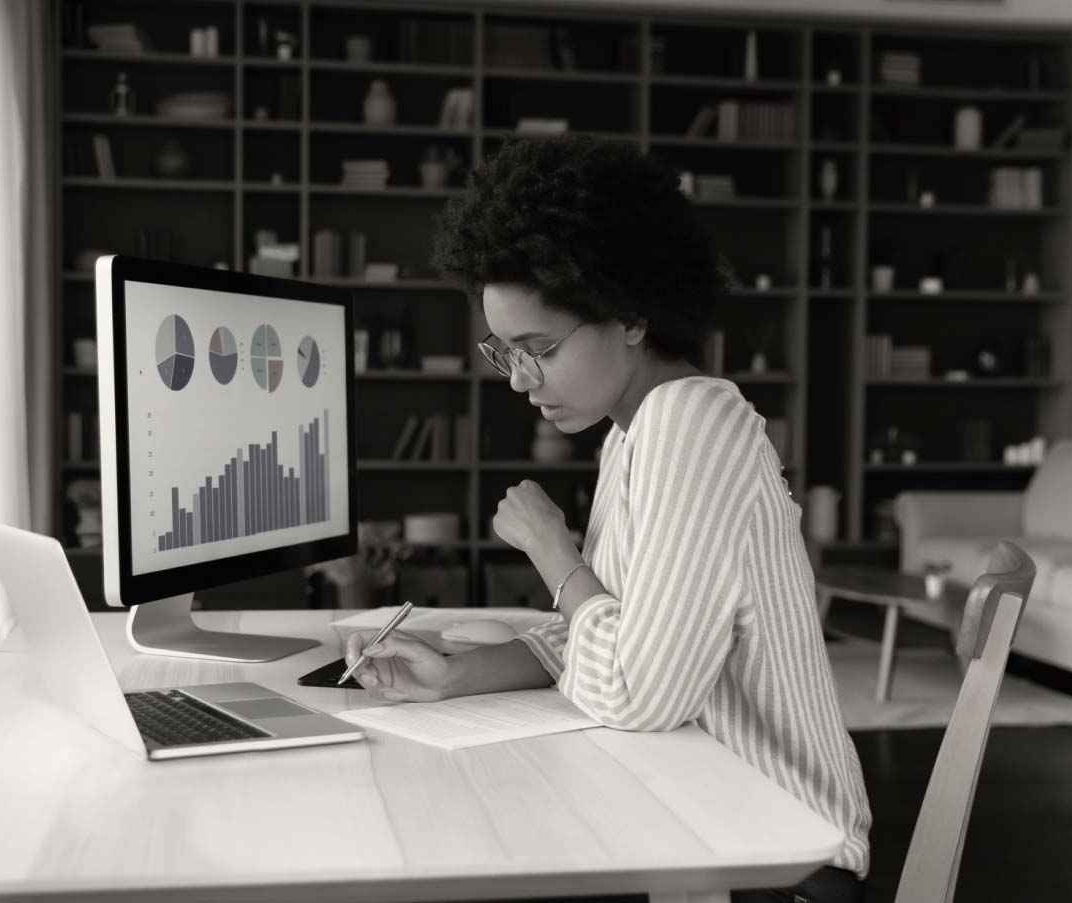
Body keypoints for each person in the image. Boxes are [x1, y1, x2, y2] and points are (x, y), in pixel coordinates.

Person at [343, 137, 871, 903]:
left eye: (541, 349)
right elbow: (613, 631)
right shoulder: (634, 431)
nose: (522, 381)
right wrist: (461, 673)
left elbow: (636, 690)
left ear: (628, 313)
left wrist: (553, 550)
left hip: (782, 864)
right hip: (707, 827)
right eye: (504, 354)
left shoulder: (692, 422)